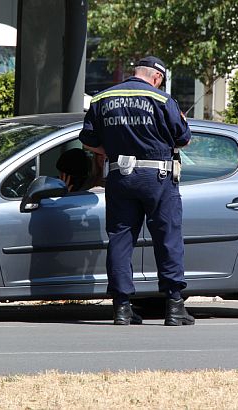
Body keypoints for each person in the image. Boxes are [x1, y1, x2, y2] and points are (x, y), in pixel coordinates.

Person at [79, 56, 194, 326]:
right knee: (167, 237)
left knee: (120, 239)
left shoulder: (101, 99)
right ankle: (174, 308)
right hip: (158, 176)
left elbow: (87, 140)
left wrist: (113, 152)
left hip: (120, 175)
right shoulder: (163, 100)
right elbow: (184, 139)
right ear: (156, 77)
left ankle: (122, 308)